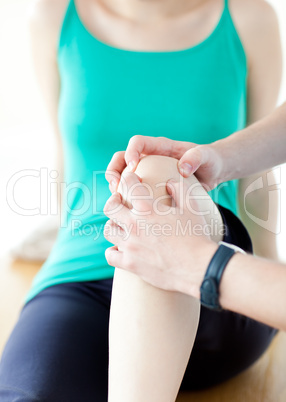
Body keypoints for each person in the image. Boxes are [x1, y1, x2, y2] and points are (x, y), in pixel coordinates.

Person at [0, 0, 282, 400]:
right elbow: (66, 154)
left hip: (210, 279)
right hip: (85, 273)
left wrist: (266, 261)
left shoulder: (248, 18)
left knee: (154, 175)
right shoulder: (53, 17)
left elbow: (258, 166)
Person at [104, 102, 286, 331]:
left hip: (229, 272)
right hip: (76, 280)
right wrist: (221, 158)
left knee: (154, 176)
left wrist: (198, 263)